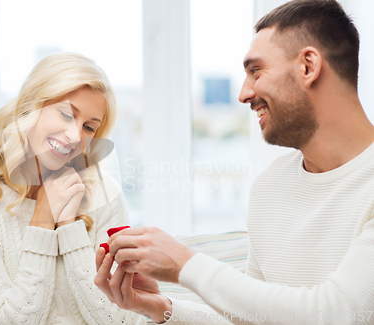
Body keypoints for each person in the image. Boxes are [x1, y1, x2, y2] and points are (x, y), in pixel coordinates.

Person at [94, 0, 374, 324]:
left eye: (256, 71)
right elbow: (253, 318)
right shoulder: (270, 185)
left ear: (308, 66)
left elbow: (339, 314)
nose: (243, 93)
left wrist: (185, 264)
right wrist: (162, 308)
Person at [0, 52, 145, 325]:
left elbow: (120, 321)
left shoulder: (104, 195)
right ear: (30, 107)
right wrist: (43, 218)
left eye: (88, 127)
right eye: (65, 114)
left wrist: (69, 226)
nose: (75, 136)